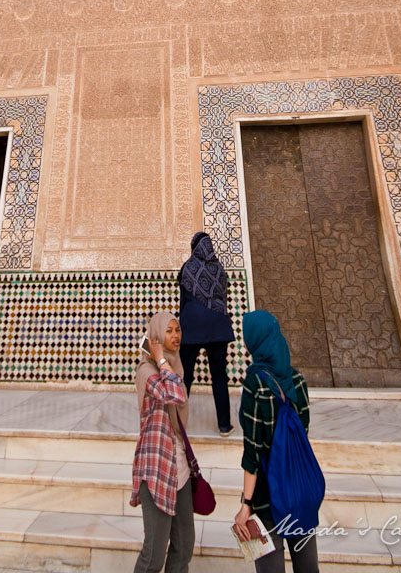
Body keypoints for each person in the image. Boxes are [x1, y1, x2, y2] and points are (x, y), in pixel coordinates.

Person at [233, 310, 319, 573]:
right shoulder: (298, 380)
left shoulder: (255, 385)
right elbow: (303, 431)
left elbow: (253, 453)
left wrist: (246, 505)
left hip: (267, 495)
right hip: (299, 488)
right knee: (308, 567)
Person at [130, 311, 195, 573]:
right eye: (168, 331)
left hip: (179, 468)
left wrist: (165, 362)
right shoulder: (148, 372)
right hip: (156, 469)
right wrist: (158, 358)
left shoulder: (174, 367)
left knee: (184, 545)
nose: (175, 336)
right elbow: (175, 394)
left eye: (177, 330)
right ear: (156, 336)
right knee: (154, 554)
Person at [177, 231, 235, 434]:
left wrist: (181, 322)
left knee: (185, 375)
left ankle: (178, 422)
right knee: (219, 376)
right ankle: (224, 425)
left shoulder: (188, 267)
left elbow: (183, 296)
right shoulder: (219, 269)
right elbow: (223, 297)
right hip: (218, 328)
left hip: (192, 326)